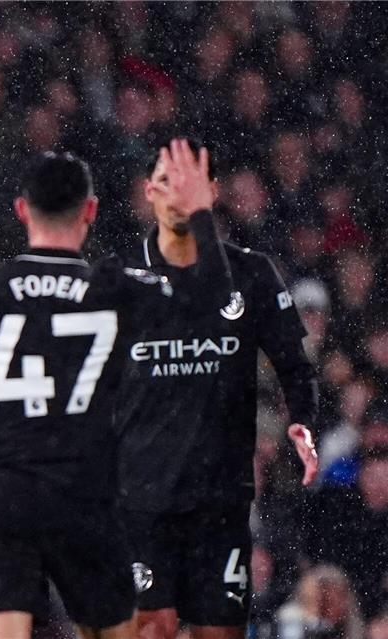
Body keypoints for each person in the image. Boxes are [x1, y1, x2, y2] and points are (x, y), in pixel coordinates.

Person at [0, 141, 229, 639]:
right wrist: (196, 214)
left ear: (22, 210)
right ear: (89, 211)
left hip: (2, 495)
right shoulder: (114, 289)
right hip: (84, 495)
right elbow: (215, 303)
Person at [115, 142, 319, 639]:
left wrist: (303, 421)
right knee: (151, 628)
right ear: (148, 194)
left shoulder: (251, 272)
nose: (178, 196)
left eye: (191, 184)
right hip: (142, 497)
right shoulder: (120, 279)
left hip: (221, 497)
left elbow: (295, 365)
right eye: (167, 182)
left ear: (213, 193)